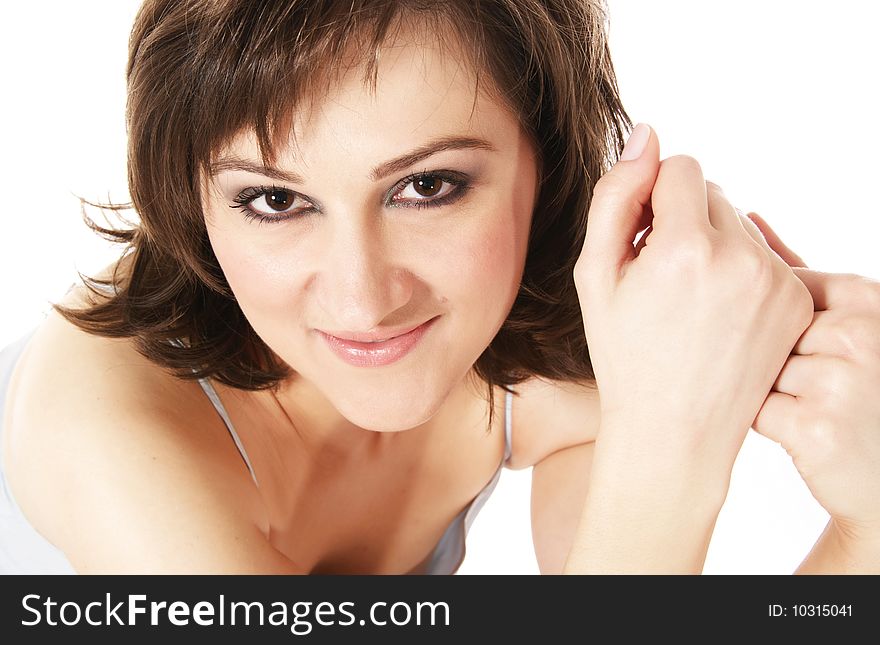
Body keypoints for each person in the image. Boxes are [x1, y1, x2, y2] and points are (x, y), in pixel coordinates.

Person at [1, 0, 878, 575]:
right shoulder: (106, 427)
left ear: (549, 162)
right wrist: (673, 440)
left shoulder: (545, 377)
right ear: (189, 199)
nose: (361, 297)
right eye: (273, 199)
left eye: (427, 186)